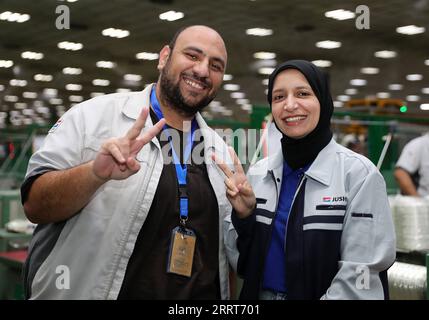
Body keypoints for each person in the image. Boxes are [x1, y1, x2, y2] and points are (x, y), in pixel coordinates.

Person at [21, 25, 237, 299]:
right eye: (193, 55)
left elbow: (221, 256)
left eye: (216, 66)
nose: (203, 70)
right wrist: (94, 174)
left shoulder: (222, 153)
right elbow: (35, 205)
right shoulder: (95, 117)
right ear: (164, 57)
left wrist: (244, 215)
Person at [219, 60, 396, 300]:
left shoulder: (358, 175)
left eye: (302, 93)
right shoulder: (259, 174)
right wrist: (245, 217)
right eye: (279, 97)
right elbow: (241, 261)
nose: (290, 105)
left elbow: (359, 275)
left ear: (323, 100)